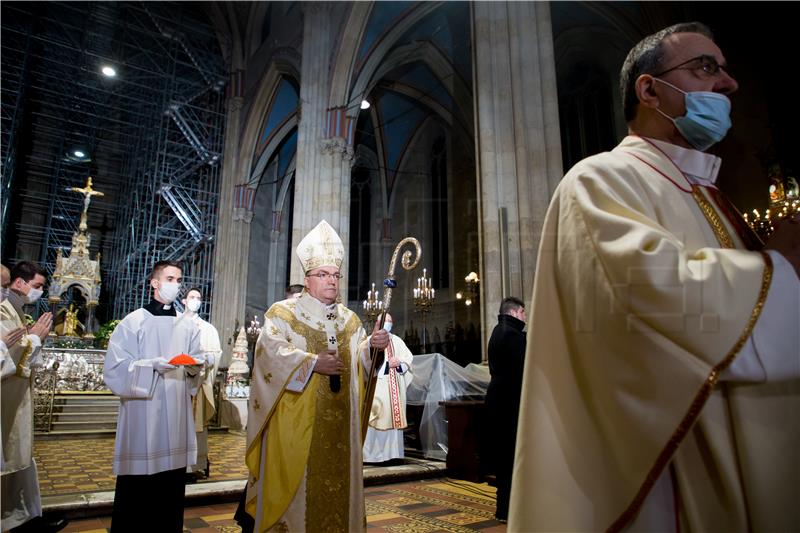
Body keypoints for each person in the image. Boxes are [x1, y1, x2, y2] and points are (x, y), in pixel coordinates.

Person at [509, 22, 800, 532]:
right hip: (674, 483)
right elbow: (652, 303)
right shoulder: (598, 181)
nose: (729, 85)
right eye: (706, 67)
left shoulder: (708, 193)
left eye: (726, 70)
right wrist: (781, 269)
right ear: (649, 90)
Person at [242, 220, 389, 532]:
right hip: (297, 432)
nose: (332, 281)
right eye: (323, 275)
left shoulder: (349, 321)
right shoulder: (283, 314)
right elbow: (268, 357)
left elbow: (360, 366)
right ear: (307, 280)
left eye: (335, 275)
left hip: (342, 432)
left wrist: (371, 350)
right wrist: (311, 364)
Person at [103, 260, 203, 532]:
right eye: (170, 278)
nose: (176, 285)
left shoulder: (188, 325)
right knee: (138, 489)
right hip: (143, 412)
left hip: (176, 412)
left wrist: (195, 366)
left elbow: (197, 365)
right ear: (155, 283)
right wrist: (151, 366)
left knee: (170, 488)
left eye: (179, 280)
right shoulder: (133, 322)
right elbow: (114, 370)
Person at [0, 262, 63, 532]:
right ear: (19, 283)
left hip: (13, 396)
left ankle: (22, 517)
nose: (39, 291)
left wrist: (35, 338)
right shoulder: (4, 309)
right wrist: (34, 338)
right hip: (5, 397)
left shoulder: (14, 309)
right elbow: (7, 353)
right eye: (37, 286)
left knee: (18, 459)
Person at [483, 296, 526, 522]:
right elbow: (524, 371)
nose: (525, 318)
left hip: (497, 400)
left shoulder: (497, 332)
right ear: (515, 312)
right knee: (513, 459)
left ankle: (503, 509)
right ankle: (510, 510)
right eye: (523, 313)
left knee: (504, 459)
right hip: (511, 403)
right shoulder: (514, 336)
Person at [181, 287, 222, 480]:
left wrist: (203, 359)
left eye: (198, 297)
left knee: (197, 426)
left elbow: (216, 355)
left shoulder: (208, 329)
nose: (195, 300)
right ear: (184, 300)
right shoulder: (175, 324)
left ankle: (196, 465)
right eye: (192, 297)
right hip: (178, 383)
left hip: (198, 384)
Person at [362, 313, 414, 464]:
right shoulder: (369, 342)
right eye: (386, 322)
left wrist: (400, 363)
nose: (388, 325)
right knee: (375, 418)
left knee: (393, 421)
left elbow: (408, 359)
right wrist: (386, 365)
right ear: (378, 323)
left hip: (394, 390)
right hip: (377, 389)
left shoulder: (397, 341)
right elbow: (365, 365)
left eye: (391, 322)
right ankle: (372, 456)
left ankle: (393, 455)